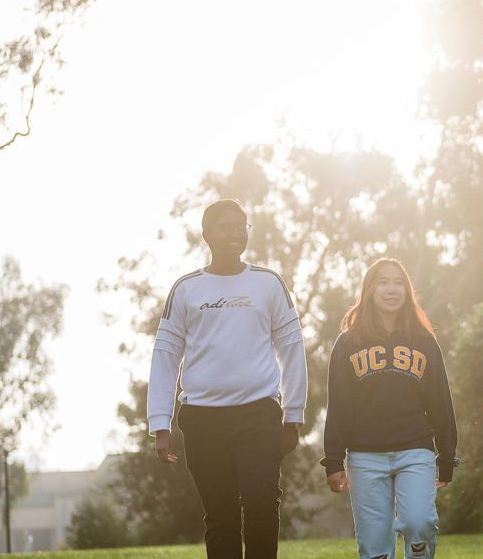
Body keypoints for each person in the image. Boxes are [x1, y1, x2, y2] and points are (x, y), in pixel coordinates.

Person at [148, 199, 307, 559]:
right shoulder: (186, 289)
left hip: (259, 414)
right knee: (220, 516)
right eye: (226, 226)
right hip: (203, 418)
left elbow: (292, 346)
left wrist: (293, 413)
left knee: (261, 501)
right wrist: (160, 424)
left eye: (242, 225)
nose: (236, 232)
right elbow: (165, 356)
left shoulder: (267, 283)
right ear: (206, 234)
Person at [321, 258, 458, 559]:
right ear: (369, 290)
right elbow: (339, 406)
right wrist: (333, 460)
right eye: (383, 282)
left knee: (418, 522)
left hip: (415, 450)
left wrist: (446, 457)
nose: (391, 289)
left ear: (408, 291)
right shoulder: (348, 343)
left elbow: (440, 402)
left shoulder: (424, 341)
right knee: (375, 548)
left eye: (399, 283)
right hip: (365, 456)